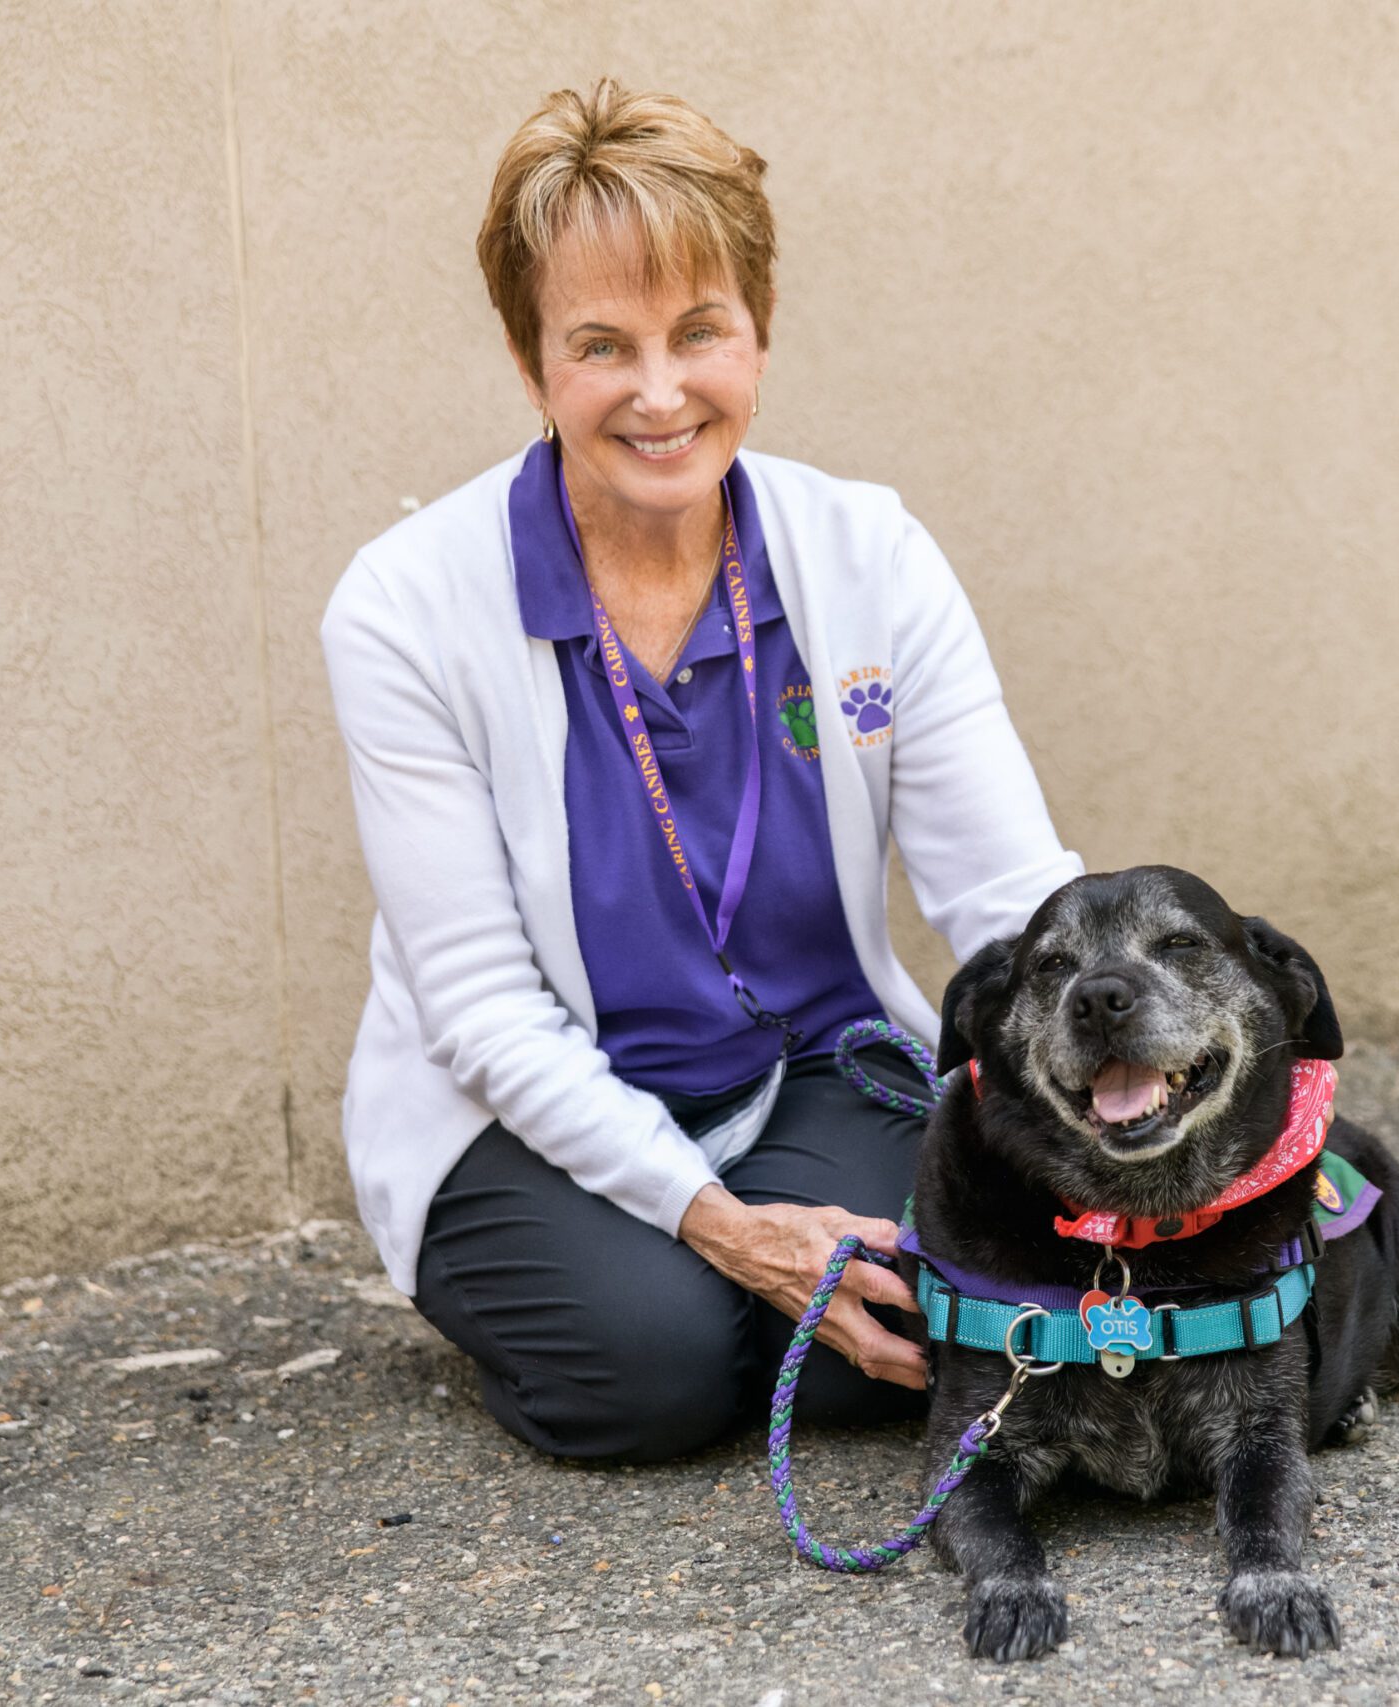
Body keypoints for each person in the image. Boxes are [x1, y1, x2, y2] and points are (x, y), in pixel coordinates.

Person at [320, 79, 1079, 1462]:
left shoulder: (870, 556)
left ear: (761, 333)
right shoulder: (402, 611)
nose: (661, 394)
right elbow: (484, 1014)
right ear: (530, 357)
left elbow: (1011, 902)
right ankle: (633, 1283)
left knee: (903, 1342)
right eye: (601, 345)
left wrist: (1162, 1080)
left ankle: (737, 1284)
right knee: (649, 1378)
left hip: (811, 1067)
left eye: (699, 333)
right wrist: (731, 1233)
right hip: (519, 1103)